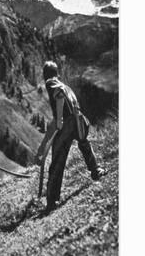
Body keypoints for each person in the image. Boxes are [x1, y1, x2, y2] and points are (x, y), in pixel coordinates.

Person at [35, 61, 106, 213]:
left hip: (67, 123)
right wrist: (43, 145)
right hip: (78, 119)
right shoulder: (66, 85)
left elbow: (59, 97)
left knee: (57, 162)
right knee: (84, 144)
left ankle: (52, 201)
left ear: (46, 75)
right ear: (58, 74)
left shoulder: (51, 82)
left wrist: (60, 120)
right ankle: (96, 170)